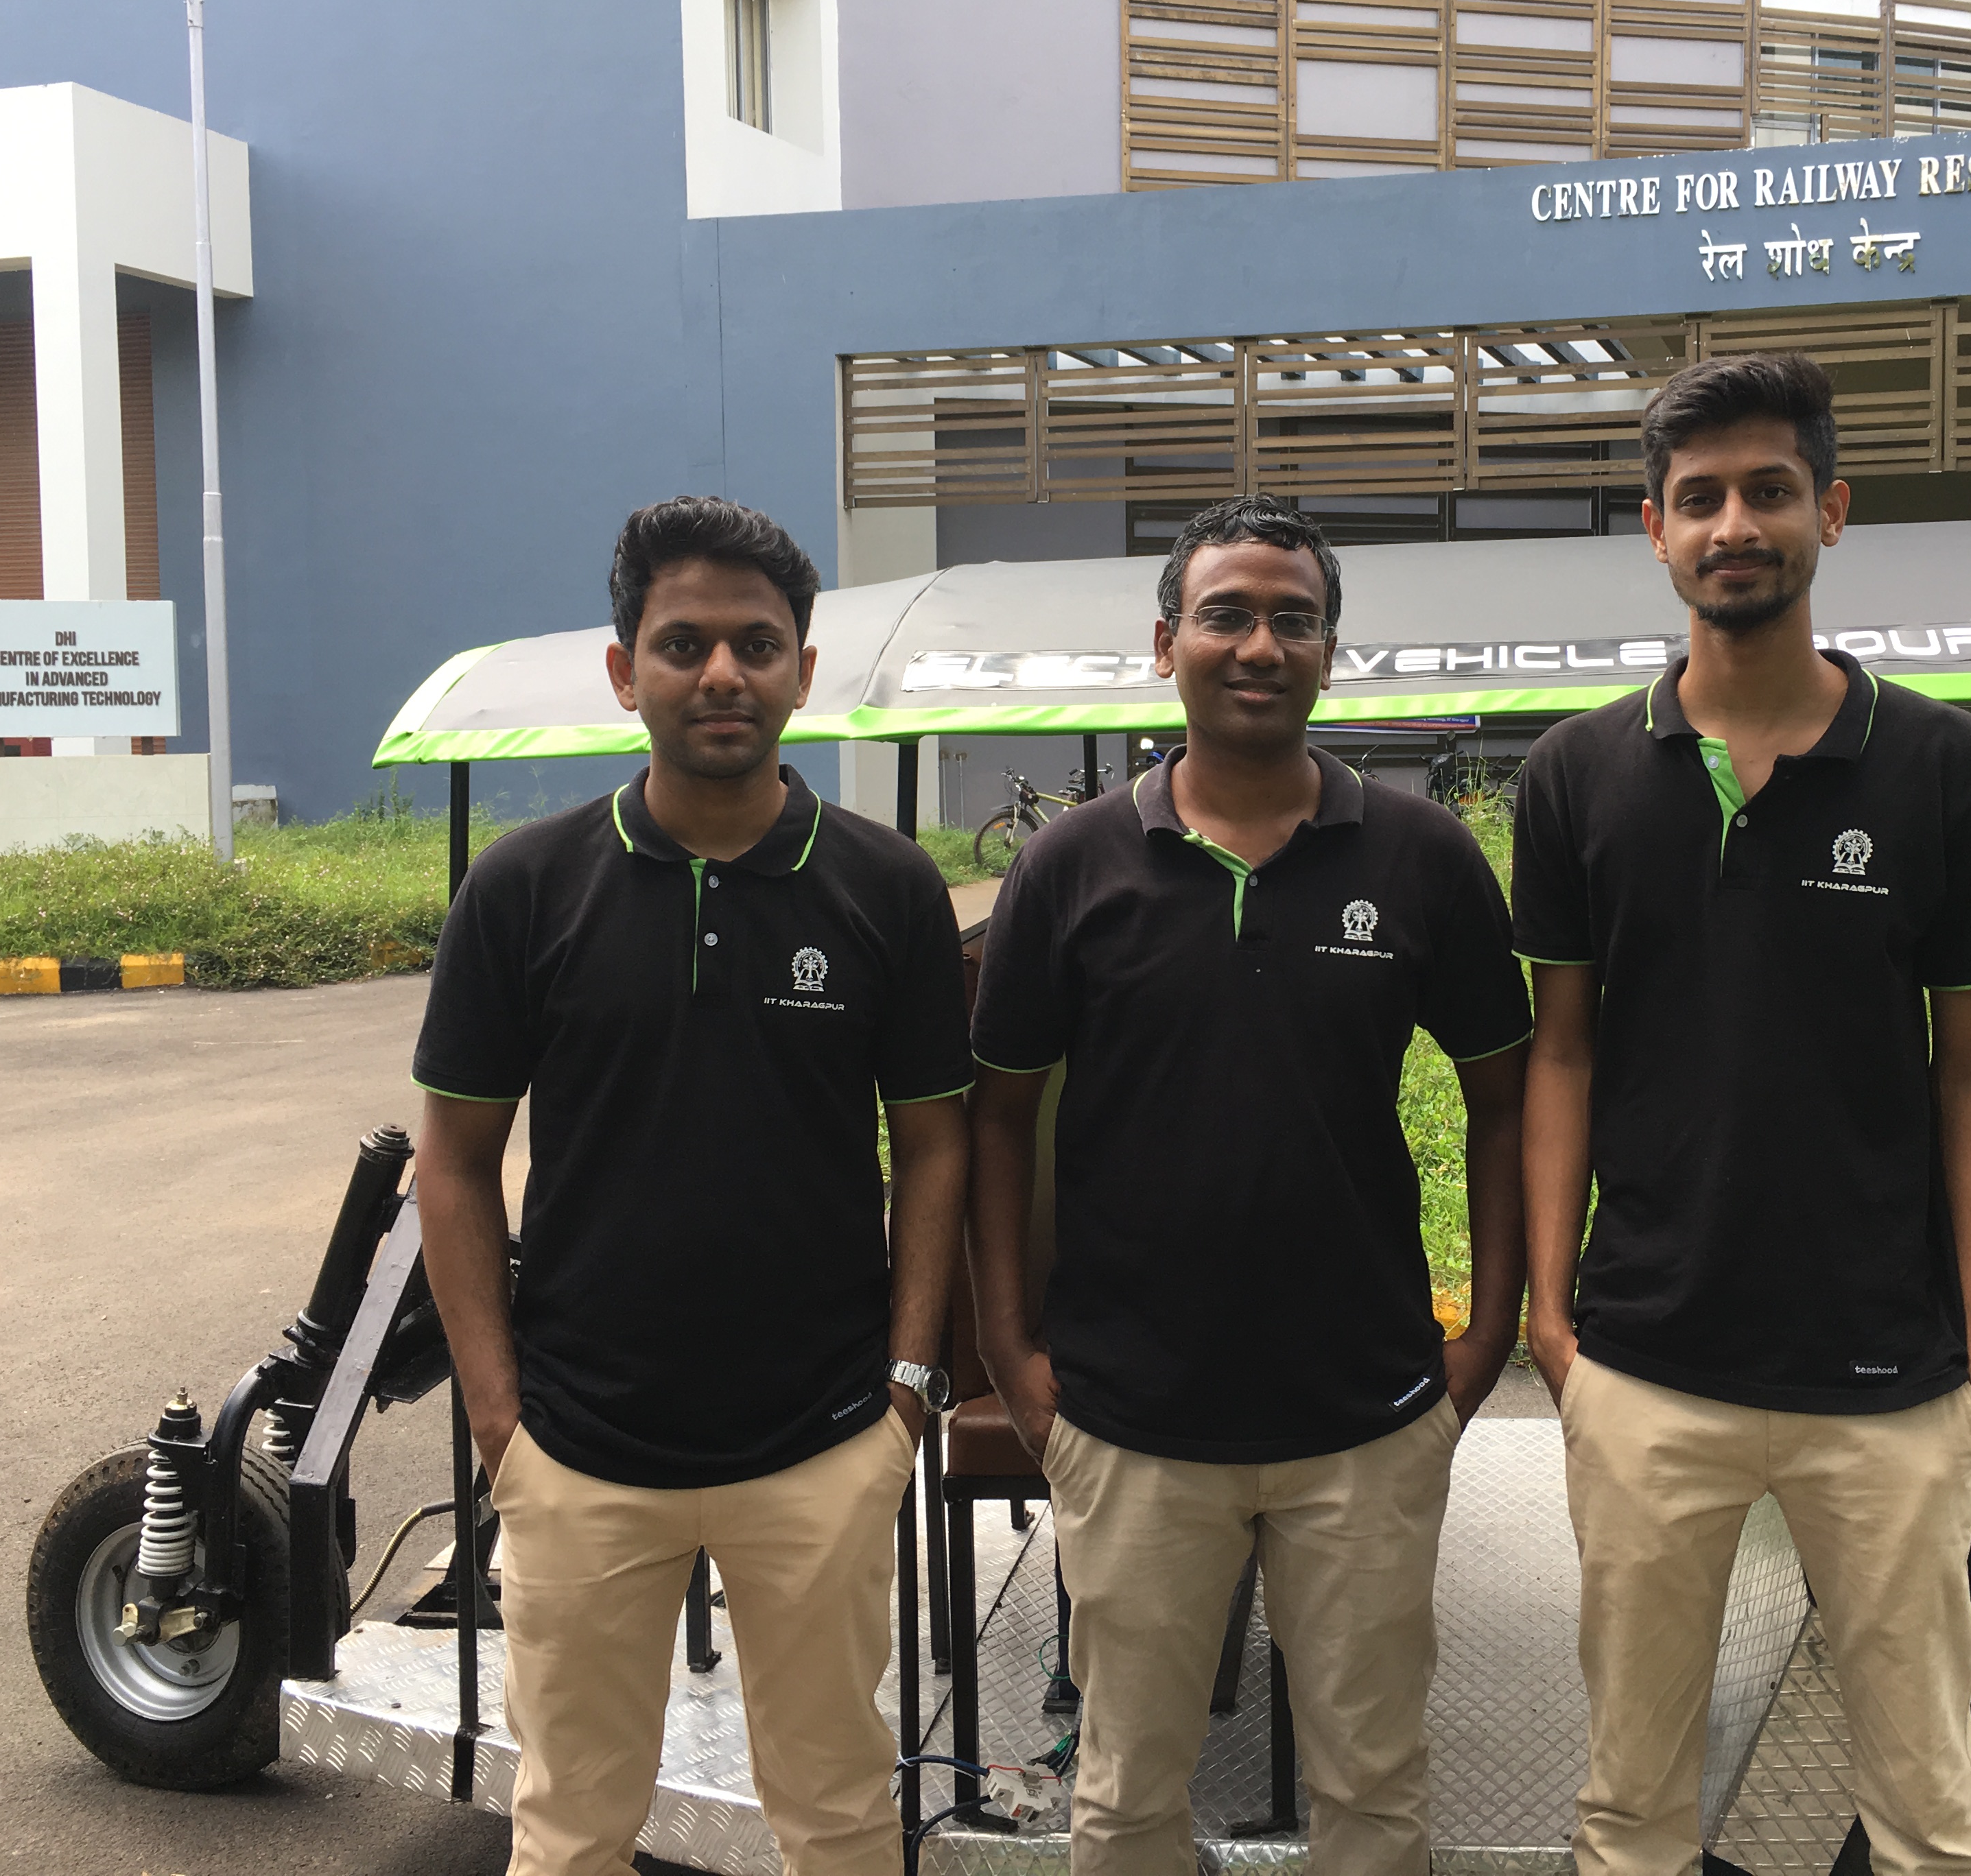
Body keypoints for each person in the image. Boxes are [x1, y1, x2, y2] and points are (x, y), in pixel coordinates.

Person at [1513, 355, 1971, 1876]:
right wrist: (1557, 1318)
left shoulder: (1942, 767)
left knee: (1930, 1811)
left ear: (1832, 512)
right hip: (1650, 1363)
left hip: (1884, 1371)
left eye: (1768, 490)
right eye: (1700, 498)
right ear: (1656, 533)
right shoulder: (1577, 775)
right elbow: (1560, 1055)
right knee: (1632, 1811)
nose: (1734, 523)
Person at [967, 494, 1533, 1876]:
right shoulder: (1073, 865)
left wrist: (1489, 1334)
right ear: (1168, 643)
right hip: (1131, 1419)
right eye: (1227, 613)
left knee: (1374, 1805)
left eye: (1294, 617)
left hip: (1370, 1419)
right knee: (1125, 1808)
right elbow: (996, 1124)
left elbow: (1503, 1090)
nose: (1259, 641)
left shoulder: (1422, 860)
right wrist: (1013, 1357)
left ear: (1332, 652)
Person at [412, 496, 973, 1876]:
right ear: (626, 672)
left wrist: (903, 1393)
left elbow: (942, 1145)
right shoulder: (526, 890)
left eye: (754, 644)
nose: (721, 672)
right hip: (583, 1455)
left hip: (822, 1446)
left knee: (841, 1820)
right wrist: (502, 1423)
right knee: (569, 1826)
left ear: (803, 666)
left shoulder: (886, 889)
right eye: (684, 644)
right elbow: (456, 1162)